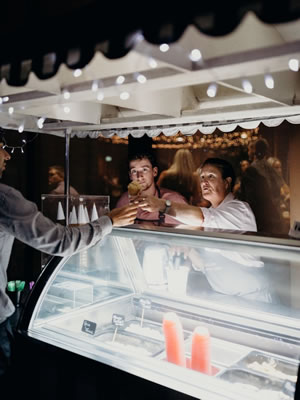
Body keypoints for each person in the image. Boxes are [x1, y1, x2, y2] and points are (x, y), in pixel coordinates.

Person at [0, 132, 139, 385]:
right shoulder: (4, 198)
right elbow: (61, 242)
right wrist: (110, 221)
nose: (7, 155)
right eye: (1, 147)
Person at [136, 157, 257, 231]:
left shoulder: (239, 209)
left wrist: (161, 205)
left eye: (211, 176)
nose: (204, 182)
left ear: (226, 182)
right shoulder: (212, 210)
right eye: (202, 177)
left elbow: (203, 218)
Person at [116, 152, 188, 226]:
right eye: (134, 171)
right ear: (130, 176)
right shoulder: (124, 202)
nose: (139, 176)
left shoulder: (175, 199)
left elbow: (191, 230)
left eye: (144, 170)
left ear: (154, 172)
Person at [238, 138, 285, 234]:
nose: (248, 152)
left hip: (259, 223)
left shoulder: (250, 171)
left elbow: (249, 201)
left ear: (254, 151)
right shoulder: (272, 170)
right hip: (275, 219)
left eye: (249, 149)